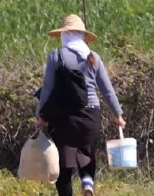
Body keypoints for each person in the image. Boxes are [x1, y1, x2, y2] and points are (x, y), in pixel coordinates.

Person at [36, 15, 126, 196]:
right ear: (82, 36)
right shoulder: (94, 58)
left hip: (64, 117)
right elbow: (107, 90)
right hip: (91, 115)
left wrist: (40, 115)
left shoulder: (56, 56)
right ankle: (87, 183)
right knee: (87, 153)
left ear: (64, 35)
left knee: (64, 163)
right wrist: (118, 114)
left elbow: (47, 89)